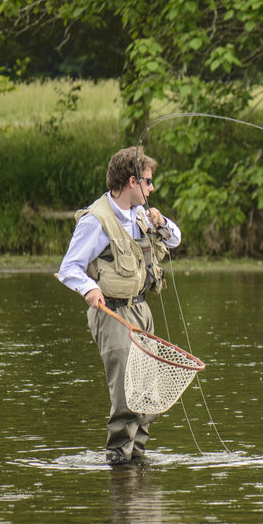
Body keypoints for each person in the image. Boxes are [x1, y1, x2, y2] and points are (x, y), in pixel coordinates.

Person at [58, 147, 182, 465]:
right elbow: (70, 266)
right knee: (127, 397)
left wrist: (161, 221)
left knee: (148, 395)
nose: (152, 189)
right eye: (149, 182)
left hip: (141, 310)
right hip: (112, 313)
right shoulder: (96, 221)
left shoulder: (141, 214)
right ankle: (118, 463)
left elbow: (174, 241)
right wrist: (90, 289)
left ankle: (135, 460)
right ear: (132, 181)